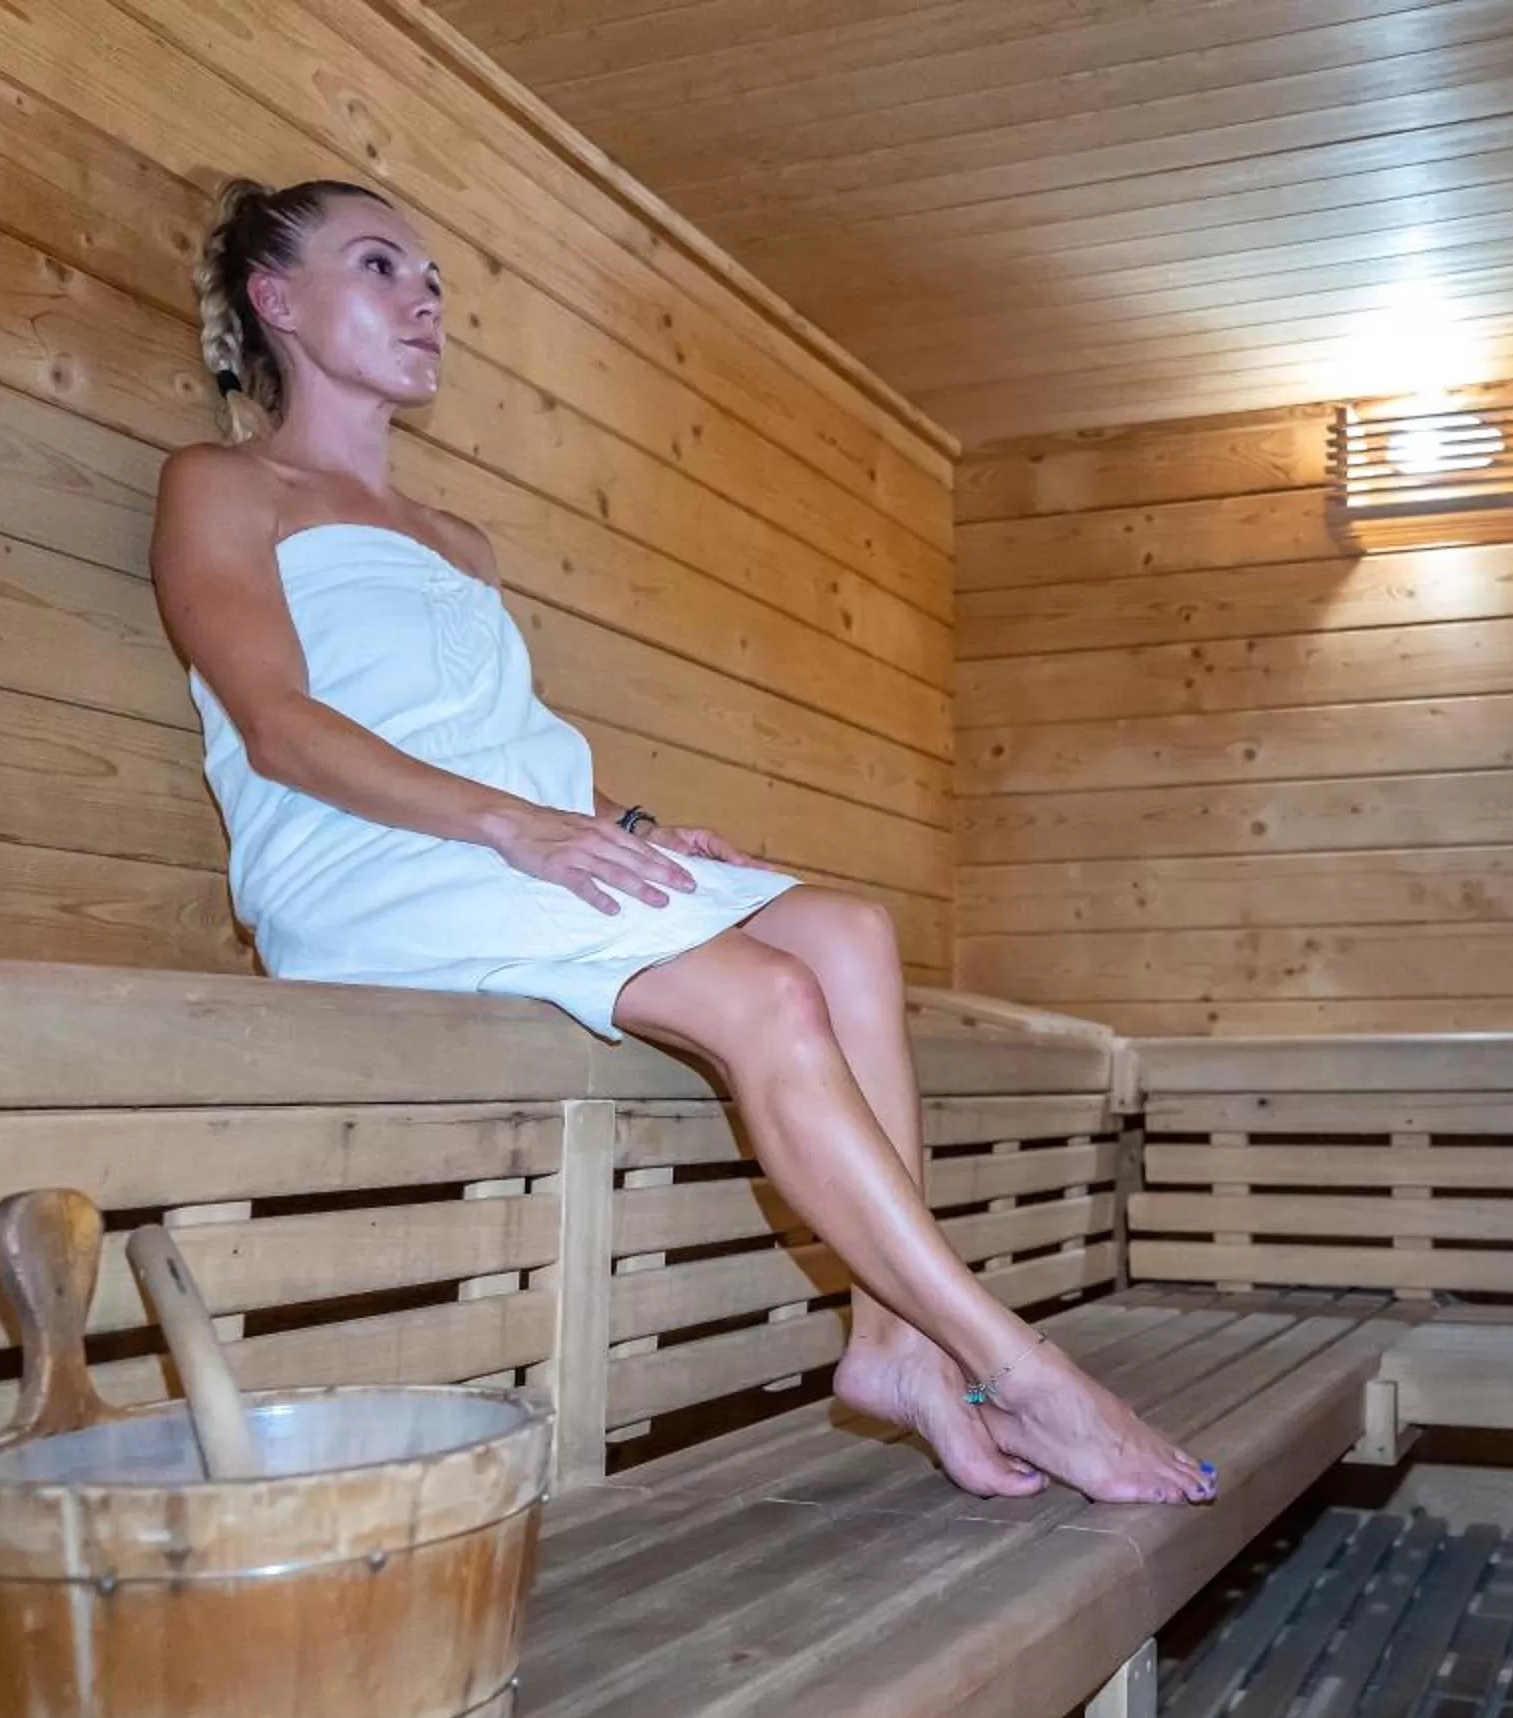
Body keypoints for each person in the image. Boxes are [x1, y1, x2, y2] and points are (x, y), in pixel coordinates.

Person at [151, 177, 1211, 1506]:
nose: (424, 300)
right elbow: (280, 726)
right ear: (275, 298)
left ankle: (889, 1343)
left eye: (433, 280)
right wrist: (517, 829)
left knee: (845, 929)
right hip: (363, 864)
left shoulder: (458, 542)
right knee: (767, 994)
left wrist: (624, 828)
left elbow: (487, 739)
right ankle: (1015, 1365)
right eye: (382, 267)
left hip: (498, 846)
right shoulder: (226, 486)